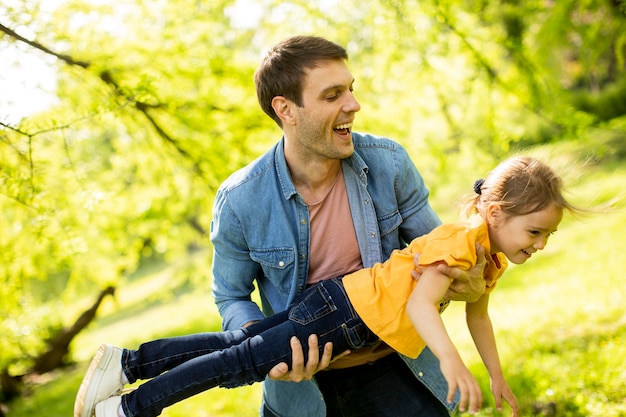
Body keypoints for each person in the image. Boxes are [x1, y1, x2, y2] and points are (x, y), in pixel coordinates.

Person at [76, 35, 488, 417]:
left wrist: (465, 284)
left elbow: (435, 254)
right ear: (285, 109)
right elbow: (231, 295)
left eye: (350, 88)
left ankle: (130, 375)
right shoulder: (241, 200)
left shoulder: (389, 163)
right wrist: (264, 345)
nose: (354, 104)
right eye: (333, 95)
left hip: (393, 366)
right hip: (302, 391)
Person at [73, 155, 582, 417]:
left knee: (237, 347)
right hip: (342, 313)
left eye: (548, 234)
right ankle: (130, 408)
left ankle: (127, 363)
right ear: (495, 213)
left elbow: (479, 315)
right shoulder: (463, 241)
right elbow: (426, 305)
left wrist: (495, 375)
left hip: (347, 312)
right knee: (241, 362)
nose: (539, 244)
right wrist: (453, 362)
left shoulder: (489, 256)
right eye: (535, 231)